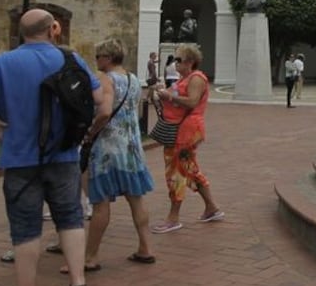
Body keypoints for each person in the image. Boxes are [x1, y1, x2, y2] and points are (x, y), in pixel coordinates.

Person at [0, 9, 110, 286]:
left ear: (21, 31)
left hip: (21, 156)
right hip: (64, 153)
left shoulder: (4, 62)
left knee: (25, 225)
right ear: (53, 29)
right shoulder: (70, 58)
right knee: (70, 218)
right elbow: (97, 97)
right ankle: (78, 283)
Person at [84, 39, 155, 269]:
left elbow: (104, 112)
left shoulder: (106, 79)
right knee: (136, 199)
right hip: (132, 146)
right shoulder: (133, 78)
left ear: (107, 57)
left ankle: (91, 256)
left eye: (98, 56)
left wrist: (90, 132)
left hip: (108, 147)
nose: (97, 61)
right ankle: (145, 247)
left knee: (101, 203)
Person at [150, 44, 223, 233]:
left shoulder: (196, 78)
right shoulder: (185, 79)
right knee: (189, 168)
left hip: (186, 130)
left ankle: (173, 218)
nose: (175, 63)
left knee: (177, 172)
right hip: (184, 128)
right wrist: (163, 93)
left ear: (190, 62)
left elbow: (192, 101)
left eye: (179, 60)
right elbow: (173, 96)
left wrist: (169, 96)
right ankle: (211, 208)